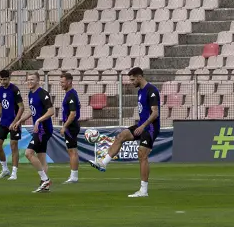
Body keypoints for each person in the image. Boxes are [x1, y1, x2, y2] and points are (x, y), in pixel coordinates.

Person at [95, 66, 160, 198]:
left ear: (139, 77)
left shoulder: (152, 90)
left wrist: (143, 126)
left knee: (142, 155)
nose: (131, 82)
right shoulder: (140, 91)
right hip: (141, 125)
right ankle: (103, 163)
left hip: (150, 127)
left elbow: (155, 113)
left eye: (132, 80)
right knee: (121, 136)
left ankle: (143, 190)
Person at [23, 72, 55, 193]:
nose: (30, 81)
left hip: (43, 129)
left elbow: (51, 111)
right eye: (28, 79)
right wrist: (20, 120)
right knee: (42, 158)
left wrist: (38, 120)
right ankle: (45, 186)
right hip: (39, 129)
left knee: (28, 153)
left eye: (32, 79)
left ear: (38, 81)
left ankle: (45, 179)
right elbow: (32, 111)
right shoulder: (30, 94)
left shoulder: (43, 93)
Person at [0, 69, 22, 180]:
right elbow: (0, 106)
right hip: (3, 122)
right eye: (1, 79)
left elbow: (21, 107)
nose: (3, 82)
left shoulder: (14, 90)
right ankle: (5, 169)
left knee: (13, 146)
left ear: (9, 78)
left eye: (5, 79)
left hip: (14, 123)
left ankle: (14, 173)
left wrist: (15, 122)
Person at [58, 72, 82, 184]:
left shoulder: (71, 95)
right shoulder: (70, 94)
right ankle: (73, 175)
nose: (61, 84)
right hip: (71, 126)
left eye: (63, 82)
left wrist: (64, 126)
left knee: (72, 151)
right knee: (71, 150)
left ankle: (74, 177)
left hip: (71, 126)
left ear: (69, 82)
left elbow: (73, 114)